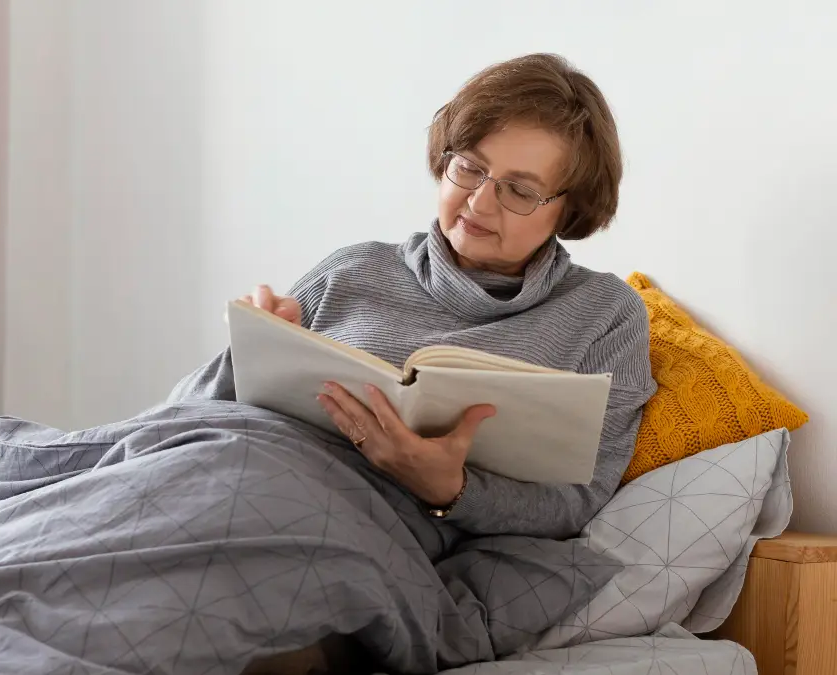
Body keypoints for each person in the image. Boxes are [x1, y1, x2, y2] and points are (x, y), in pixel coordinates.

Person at [168, 53, 657, 541]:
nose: (479, 202)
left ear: (569, 210)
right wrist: (252, 348)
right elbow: (184, 413)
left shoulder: (605, 314)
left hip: (353, 529)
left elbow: (579, 502)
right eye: (470, 167)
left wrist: (451, 490)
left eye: (520, 191)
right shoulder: (353, 268)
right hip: (235, 471)